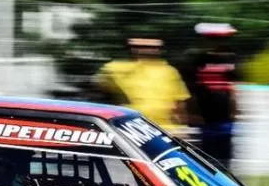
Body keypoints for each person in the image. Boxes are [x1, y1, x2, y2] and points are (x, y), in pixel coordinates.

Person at [94, 38, 191, 133]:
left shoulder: (169, 71)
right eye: (141, 46)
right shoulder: (114, 68)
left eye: (151, 46)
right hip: (131, 127)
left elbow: (179, 103)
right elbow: (99, 93)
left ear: (159, 49)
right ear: (132, 48)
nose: (146, 49)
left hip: (165, 128)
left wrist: (181, 128)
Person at [187, 23, 240, 168]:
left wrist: (234, 110)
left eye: (219, 40)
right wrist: (194, 113)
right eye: (212, 40)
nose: (215, 44)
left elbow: (233, 88)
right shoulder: (198, 60)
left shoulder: (231, 59)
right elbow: (192, 89)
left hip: (225, 116)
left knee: (225, 154)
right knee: (207, 155)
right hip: (206, 117)